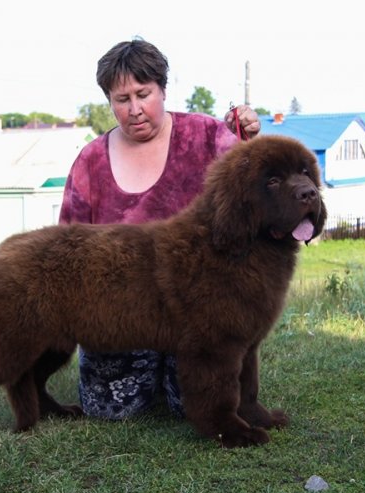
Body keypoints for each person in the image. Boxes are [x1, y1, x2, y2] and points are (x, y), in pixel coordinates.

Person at [58, 38, 261, 420]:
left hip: (196, 309)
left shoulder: (207, 136)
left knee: (197, 405)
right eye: (122, 99)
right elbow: (68, 247)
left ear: (163, 89)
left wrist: (250, 140)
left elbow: (252, 191)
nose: (134, 110)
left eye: (143, 94)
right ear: (109, 101)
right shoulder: (89, 162)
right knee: (110, 411)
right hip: (121, 314)